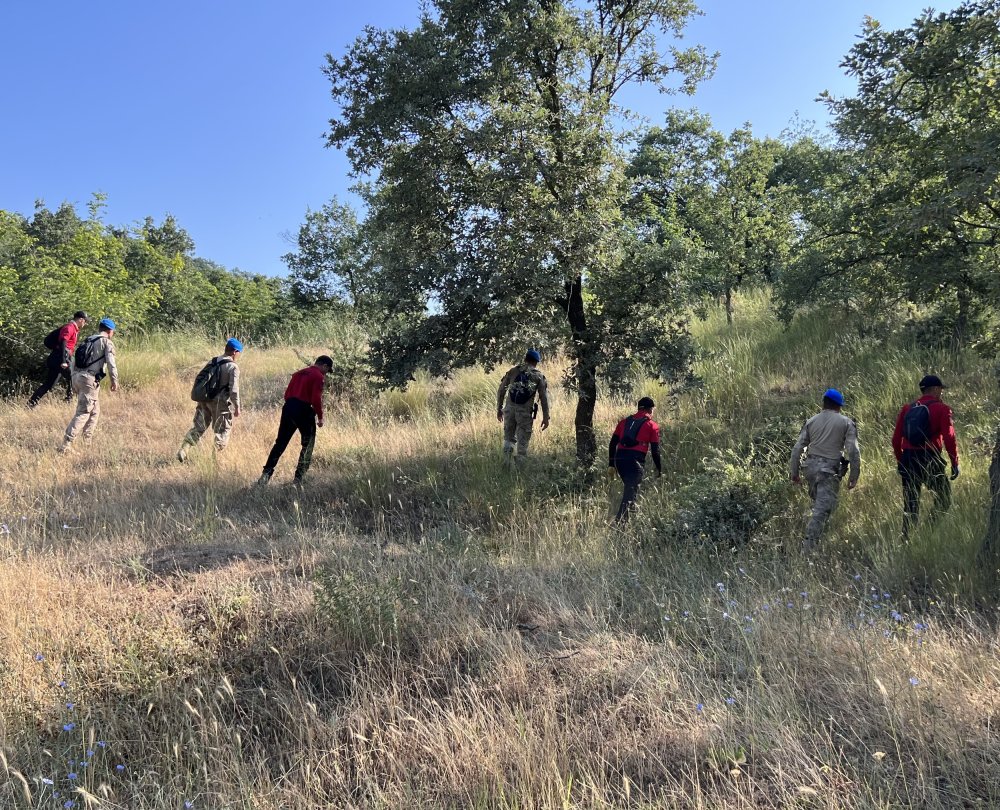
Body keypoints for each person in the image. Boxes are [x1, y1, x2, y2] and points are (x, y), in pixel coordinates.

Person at [789, 388, 861, 551]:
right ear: (839, 406)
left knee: (820, 506)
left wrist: (794, 473)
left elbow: (797, 448)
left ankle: (816, 543)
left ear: (824, 403)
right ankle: (807, 549)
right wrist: (854, 474)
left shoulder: (811, 421)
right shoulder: (846, 422)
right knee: (822, 510)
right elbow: (853, 450)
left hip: (810, 469)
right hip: (828, 471)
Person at [892, 374, 959, 538]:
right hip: (929, 458)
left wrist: (902, 461)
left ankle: (906, 538)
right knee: (944, 499)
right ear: (935, 389)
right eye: (941, 389)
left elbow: (895, 440)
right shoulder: (942, 409)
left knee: (911, 503)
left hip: (908, 458)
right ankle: (926, 534)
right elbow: (949, 437)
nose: (941, 393)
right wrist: (954, 462)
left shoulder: (908, 409)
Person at [257, 356, 333, 486]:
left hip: (288, 407)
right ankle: (298, 480)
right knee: (307, 444)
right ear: (324, 366)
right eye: (327, 370)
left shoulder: (298, 374)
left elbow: (287, 394)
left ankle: (265, 476)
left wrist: (292, 406)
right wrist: (320, 417)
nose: (326, 373)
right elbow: (316, 399)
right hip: (304, 409)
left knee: (280, 443)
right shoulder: (318, 376)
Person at [177, 338, 243, 462]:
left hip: (204, 399)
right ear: (234, 352)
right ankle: (214, 459)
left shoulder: (213, 361)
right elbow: (233, 390)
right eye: (239, 353)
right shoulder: (233, 367)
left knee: (199, 427)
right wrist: (237, 407)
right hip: (220, 403)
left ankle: (184, 450)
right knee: (223, 430)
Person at [60, 318, 118, 453]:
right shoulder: (107, 342)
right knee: (83, 412)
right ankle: (66, 444)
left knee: (95, 411)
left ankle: (87, 442)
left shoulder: (88, 340)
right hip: (89, 380)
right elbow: (111, 363)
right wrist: (114, 380)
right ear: (110, 331)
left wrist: (74, 379)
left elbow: (74, 360)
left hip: (77, 377)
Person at [608, 396, 662, 522]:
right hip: (635, 461)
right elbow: (655, 451)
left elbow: (612, 443)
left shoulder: (623, 422)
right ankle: (620, 525)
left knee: (630, 489)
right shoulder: (652, 425)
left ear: (638, 408)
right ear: (651, 409)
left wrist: (611, 464)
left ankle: (632, 519)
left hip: (619, 459)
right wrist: (659, 469)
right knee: (630, 493)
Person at [495, 349, 550, 463]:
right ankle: (520, 473)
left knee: (508, 439)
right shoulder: (538, 376)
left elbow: (501, 390)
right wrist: (546, 417)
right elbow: (543, 398)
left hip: (509, 410)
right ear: (536, 362)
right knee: (522, 443)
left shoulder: (513, 371)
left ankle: (506, 464)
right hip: (524, 413)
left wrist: (499, 409)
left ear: (525, 359)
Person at [28, 311, 89, 407]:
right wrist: (63, 361)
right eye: (85, 321)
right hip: (60, 358)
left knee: (50, 384)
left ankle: (31, 404)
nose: (85, 323)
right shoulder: (69, 327)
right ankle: (69, 400)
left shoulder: (73, 328)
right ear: (81, 319)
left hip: (58, 358)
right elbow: (63, 342)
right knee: (74, 377)